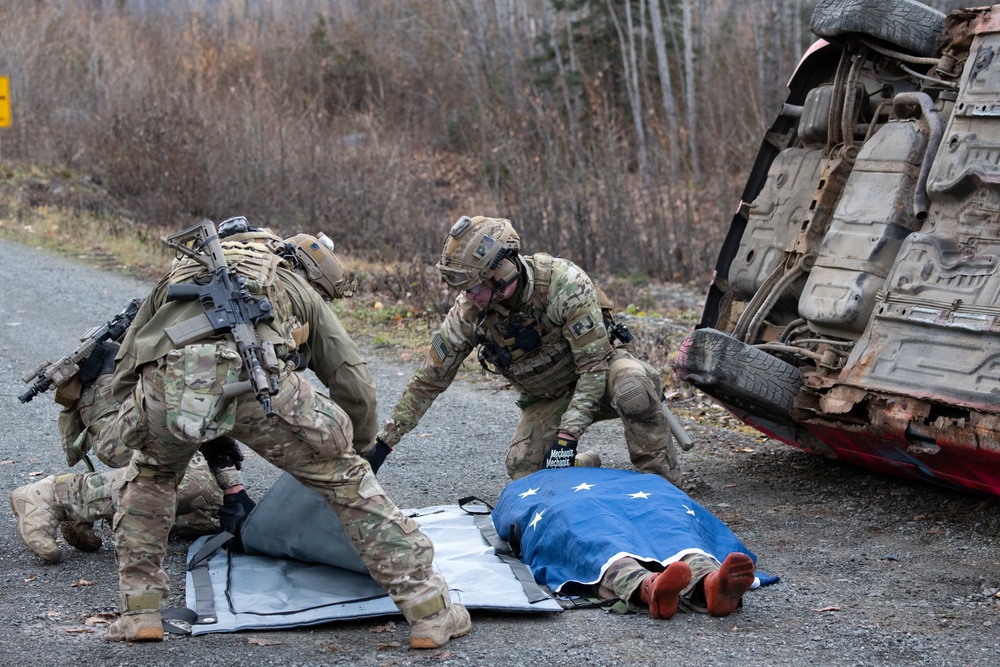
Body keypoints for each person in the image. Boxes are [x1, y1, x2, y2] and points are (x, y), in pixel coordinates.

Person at [102, 218, 469, 649]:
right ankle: (429, 612)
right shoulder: (291, 282)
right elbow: (353, 381)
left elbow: (128, 359)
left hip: (168, 383)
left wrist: (141, 413)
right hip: (257, 380)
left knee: (151, 476)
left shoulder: (179, 271)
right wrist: (357, 450)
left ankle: (141, 613)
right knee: (347, 482)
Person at [9, 226, 363, 564]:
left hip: (170, 399)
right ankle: (54, 496)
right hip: (117, 398)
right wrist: (356, 464)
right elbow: (186, 387)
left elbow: (217, 399)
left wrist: (232, 486)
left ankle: (90, 509)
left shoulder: (255, 300)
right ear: (303, 275)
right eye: (320, 296)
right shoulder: (236, 289)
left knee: (215, 511)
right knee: (189, 484)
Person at [368, 215, 683, 482]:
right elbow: (429, 380)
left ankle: (663, 490)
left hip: (601, 377)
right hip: (549, 397)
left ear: (502, 273)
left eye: (474, 286)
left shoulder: (564, 284)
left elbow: (595, 366)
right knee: (522, 467)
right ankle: (582, 465)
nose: (469, 296)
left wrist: (568, 436)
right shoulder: (470, 313)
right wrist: (383, 445)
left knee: (634, 391)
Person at [491, 467, 765, 619]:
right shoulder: (532, 482)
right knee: (609, 541)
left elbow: (507, 518)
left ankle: (698, 585)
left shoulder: (529, 482)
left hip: (627, 495)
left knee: (662, 530)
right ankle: (691, 583)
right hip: (583, 502)